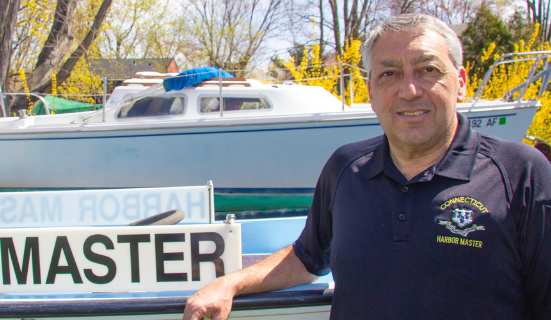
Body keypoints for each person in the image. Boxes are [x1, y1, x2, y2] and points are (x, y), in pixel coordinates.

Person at [183, 13, 551, 320]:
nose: (409, 90)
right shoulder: (346, 168)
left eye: (427, 69)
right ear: (371, 93)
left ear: (461, 83)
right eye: (389, 74)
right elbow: (307, 257)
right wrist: (228, 283)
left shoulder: (521, 174)